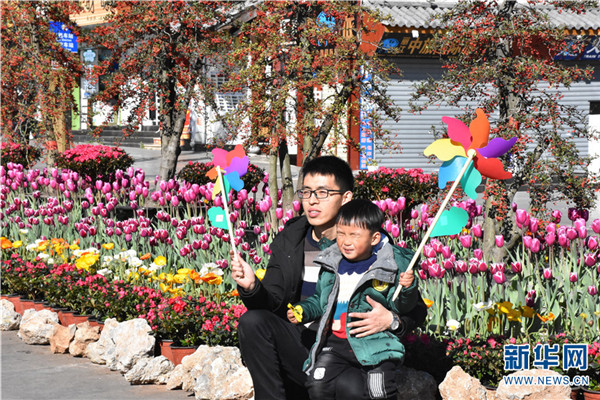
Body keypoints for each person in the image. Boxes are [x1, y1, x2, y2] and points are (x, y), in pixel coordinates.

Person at [231, 156, 425, 400]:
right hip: (303, 343)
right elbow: (274, 304)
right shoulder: (291, 239)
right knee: (253, 321)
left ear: (346, 198)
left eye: (323, 192)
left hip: (352, 351)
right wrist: (252, 287)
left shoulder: (375, 246)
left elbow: (415, 310)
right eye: (307, 191)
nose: (312, 200)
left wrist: (391, 319)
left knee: (349, 388)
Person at [287, 199, 417, 400]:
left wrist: (408, 288)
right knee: (317, 384)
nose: (346, 241)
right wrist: (303, 311)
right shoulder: (332, 264)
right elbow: (320, 300)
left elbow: (402, 306)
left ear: (374, 238)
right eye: (340, 234)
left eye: (354, 235)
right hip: (335, 342)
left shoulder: (389, 267)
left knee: (378, 390)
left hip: (375, 344)